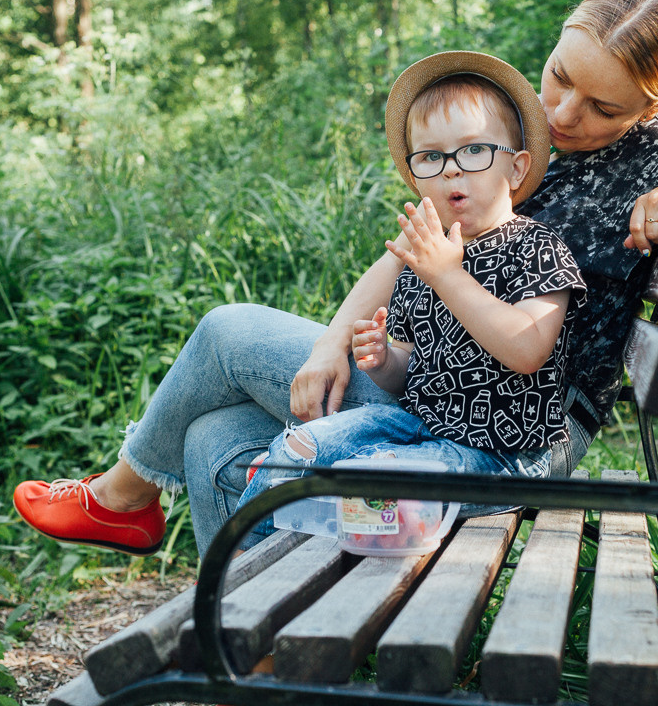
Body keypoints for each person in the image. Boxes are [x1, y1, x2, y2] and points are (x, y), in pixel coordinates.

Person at [13, 0, 658, 560]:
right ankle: (260, 659)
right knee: (214, 437)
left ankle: (123, 497)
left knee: (228, 331)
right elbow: (412, 247)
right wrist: (332, 344)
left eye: (602, 107)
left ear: (655, 104)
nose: (564, 114)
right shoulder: (523, 136)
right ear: (557, 45)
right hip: (433, 382)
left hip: (511, 421)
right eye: (560, 80)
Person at [230, 52, 586, 549]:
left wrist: (446, 274)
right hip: (421, 425)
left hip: (508, 455)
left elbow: (527, 350)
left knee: (382, 483)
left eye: (474, 152)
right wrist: (383, 362)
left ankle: (327, 555)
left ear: (516, 167)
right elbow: (417, 370)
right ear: (415, 176)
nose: (452, 172)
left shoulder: (537, 247)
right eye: (432, 158)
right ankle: (242, 586)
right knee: (298, 449)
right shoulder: (425, 255)